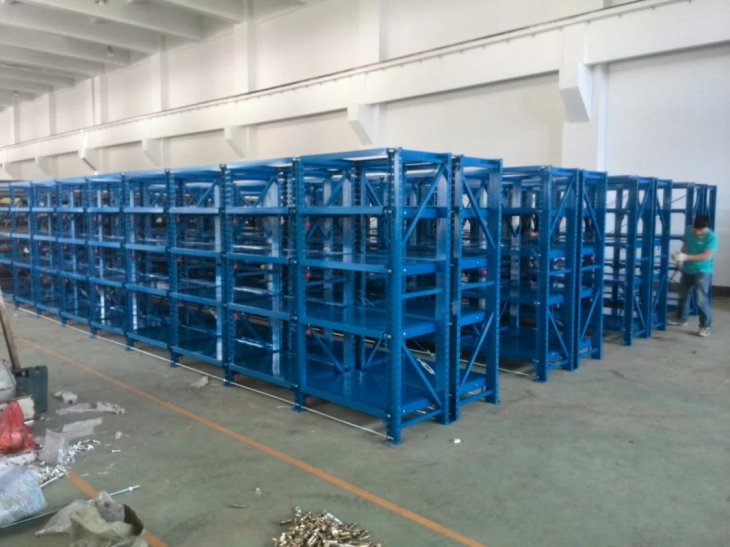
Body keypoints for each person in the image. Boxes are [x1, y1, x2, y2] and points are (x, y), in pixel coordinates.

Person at [668, 215, 718, 336]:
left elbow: (707, 256)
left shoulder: (712, 237)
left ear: (706, 227)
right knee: (683, 295)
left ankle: (705, 326)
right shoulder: (689, 230)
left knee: (701, 300)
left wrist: (686, 257)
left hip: (702, 271)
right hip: (688, 269)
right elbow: (686, 245)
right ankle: (681, 319)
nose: (696, 232)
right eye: (695, 229)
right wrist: (680, 258)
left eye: (699, 230)